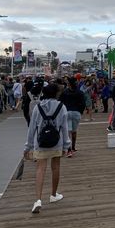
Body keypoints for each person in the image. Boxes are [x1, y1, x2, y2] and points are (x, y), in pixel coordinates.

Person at [24, 83, 70, 213]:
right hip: (57, 142)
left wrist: (28, 146)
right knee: (55, 168)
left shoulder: (37, 107)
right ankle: (53, 195)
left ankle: (38, 200)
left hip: (40, 142)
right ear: (56, 93)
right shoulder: (62, 107)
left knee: (40, 169)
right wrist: (67, 145)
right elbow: (65, 128)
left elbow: (32, 128)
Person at [59, 78, 85, 157]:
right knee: (74, 131)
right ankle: (73, 147)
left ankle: (69, 150)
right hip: (76, 113)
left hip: (67, 112)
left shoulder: (65, 92)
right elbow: (83, 104)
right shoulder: (80, 92)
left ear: (69, 84)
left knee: (68, 132)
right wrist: (80, 111)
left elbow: (60, 102)